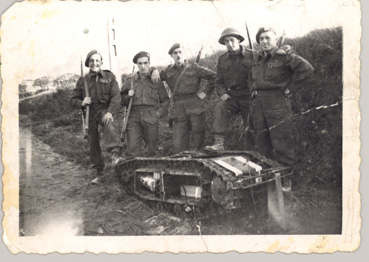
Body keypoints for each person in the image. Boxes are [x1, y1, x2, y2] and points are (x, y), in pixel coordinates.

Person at [250, 27, 314, 166]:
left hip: (277, 102)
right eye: (261, 38)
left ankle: (286, 177)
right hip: (259, 103)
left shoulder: (284, 55)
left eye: (268, 38)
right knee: (261, 141)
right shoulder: (259, 58)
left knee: (281, 141)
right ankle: (266, 175)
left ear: (276, 39)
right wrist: (254, 89)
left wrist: (290, 89)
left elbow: (306, 69)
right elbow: (255, 78)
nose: (264, 41)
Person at [70, 50, 124, 185]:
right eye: (92, 61)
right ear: (88, 63)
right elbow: (72, 99)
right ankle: (99, 172)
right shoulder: (83, 81)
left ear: (101, 62)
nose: (94, 63)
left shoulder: (109, 77)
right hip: (89, 111)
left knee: (109, 124)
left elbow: (116, 97)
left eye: (97, 60)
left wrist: (110, 112)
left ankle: (115, 154)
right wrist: (82, 102)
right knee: (92, 141)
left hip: (104, 110)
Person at [158, 43, 216, 154]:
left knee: (198, 141)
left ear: (184, 54)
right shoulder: (167, 71)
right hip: (178, 107)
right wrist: (154, 71)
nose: (178, 55)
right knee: (178, 145)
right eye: (175, 53)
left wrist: (204, 93)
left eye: (180, 52)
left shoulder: (195, 68)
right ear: (171, 56)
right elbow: (154, 79)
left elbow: (214, 77)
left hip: (195, 104)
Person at [205, 27, 255, 151]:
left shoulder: (253, 55)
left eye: (232, 40)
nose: (229, 43)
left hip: (249, 95)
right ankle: (218, 144)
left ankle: (253, 150)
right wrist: (222, 93)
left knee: (253, 124)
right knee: (220, 107)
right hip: (232, 96)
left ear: (238, 40)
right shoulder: (222, 59)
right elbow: (219, 81)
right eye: (226, 41)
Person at [120, 51, 169, 158]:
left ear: (149, 63)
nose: (143, 66)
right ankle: (134, 173)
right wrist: (128, 96)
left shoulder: (155, 80)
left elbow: (165, 100)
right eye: (140, 63)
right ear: (137, 65)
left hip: (151, 115)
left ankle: (150, 172)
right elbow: (120, 101)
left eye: (145, 63)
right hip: (133, 116)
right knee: (132, 149)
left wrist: (158, 114)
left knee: (151, 149)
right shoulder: (130, 81)